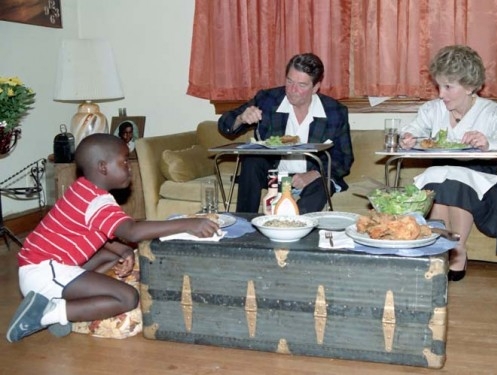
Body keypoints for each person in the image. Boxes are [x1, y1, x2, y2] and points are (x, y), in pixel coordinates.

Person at [6, 133, 219, 343]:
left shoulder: (83, 189)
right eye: (124, 161)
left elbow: (100, 232)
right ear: (103, 167)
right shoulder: (97, 201)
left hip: (44, 268)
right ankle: (49, 313)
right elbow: (132, 231)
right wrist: (189, 224)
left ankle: (61, 302)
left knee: (111, 258)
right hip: (44, 272)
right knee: (127, 297)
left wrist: (123, 250)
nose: (129, 167)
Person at [399, 45, 497, 281]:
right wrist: (408, 137)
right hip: (442, 172)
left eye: (448, 87)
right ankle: (441, 251)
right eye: (439, 86)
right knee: (439, 180)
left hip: (482, 178)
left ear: (470, 86)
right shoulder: (432, 110)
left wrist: (487, 141)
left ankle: (457, 250)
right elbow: (413, 128)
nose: (441, 94)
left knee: (452, 182)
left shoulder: (492, 112)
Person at [218, 52, 353, 214]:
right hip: (273, 174)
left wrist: (313, 174)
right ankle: (244, 223)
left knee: (322, 184)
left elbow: (344, 158)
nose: (292, 90)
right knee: (252, 159)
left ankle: (298, 225)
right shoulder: (268, 100)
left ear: (316, 87)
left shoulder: (334, 111)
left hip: (311, 177)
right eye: (289, 81)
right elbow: (224, 125)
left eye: (302, 85)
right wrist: (241, 118)